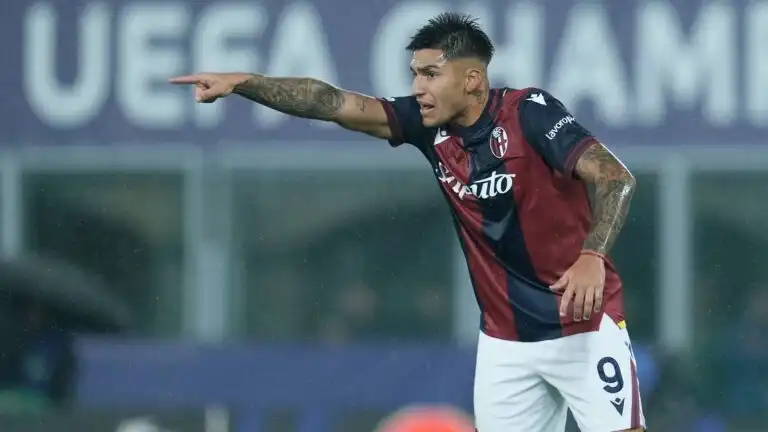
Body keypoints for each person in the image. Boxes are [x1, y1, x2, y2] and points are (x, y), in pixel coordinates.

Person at [169, 12, 644, 432]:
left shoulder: (530, 113)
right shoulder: (425, 126)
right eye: (415, 74)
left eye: (431, 74)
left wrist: (592, 255)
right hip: (505, 344)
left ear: (472, 79)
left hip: (583, 326)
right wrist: (245, 82)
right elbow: (333, 102)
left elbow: (616, 178)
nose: (418, 87)